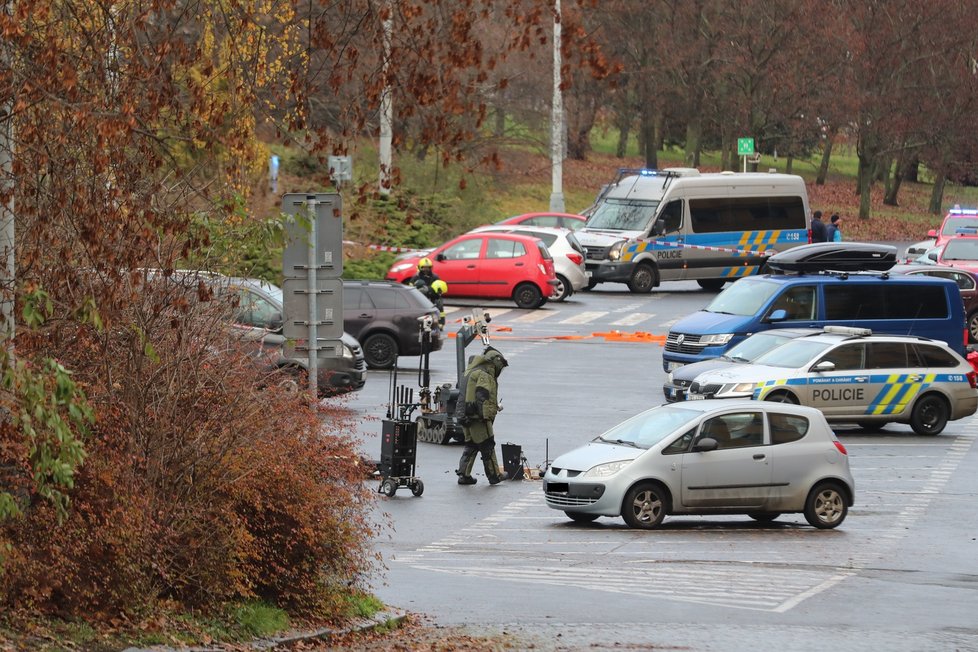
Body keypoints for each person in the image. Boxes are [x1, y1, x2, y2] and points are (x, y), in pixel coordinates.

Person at [455, 347, 511, 485]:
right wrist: (486, 417)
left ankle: (464, 475)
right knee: (487, 445)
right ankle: (494, 476)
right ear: (495, 362)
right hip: (477, 418)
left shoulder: (470, 371)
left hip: (465, 416)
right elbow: (482, 396)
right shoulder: (484, 374)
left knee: (472, 445)